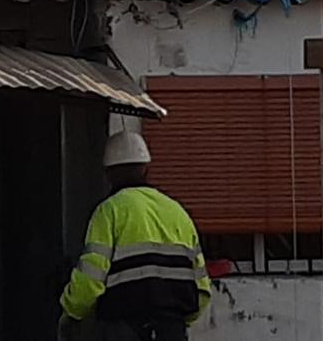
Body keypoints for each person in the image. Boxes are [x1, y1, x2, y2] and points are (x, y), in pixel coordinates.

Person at [58, 132, 211, 341]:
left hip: (123, 329)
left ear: (108, 173)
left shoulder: (109, 211)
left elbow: (90, 282)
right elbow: (201, 289)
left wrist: (71, 313)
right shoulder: (178, 213)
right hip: (171, 329)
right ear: (145, 169)